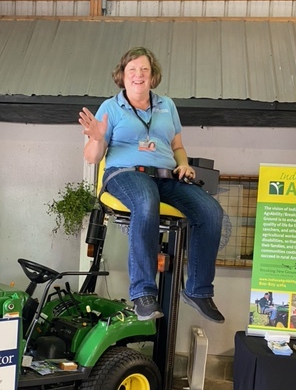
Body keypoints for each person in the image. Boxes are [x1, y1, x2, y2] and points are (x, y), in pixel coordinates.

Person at [79, 46, 224, 323]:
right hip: (125, 174)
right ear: (122, 75)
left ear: (153, 76)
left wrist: (183, 163)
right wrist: (97, 138)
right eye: (132, 69)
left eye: (144, 69)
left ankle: (198, 290)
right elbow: (92, 157)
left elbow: (177, 145)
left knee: (211, 211)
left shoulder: (167, 105)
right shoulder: (110, 108)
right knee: (146, 200)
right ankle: (143, 293)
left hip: (166, 176)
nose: (138, 75)